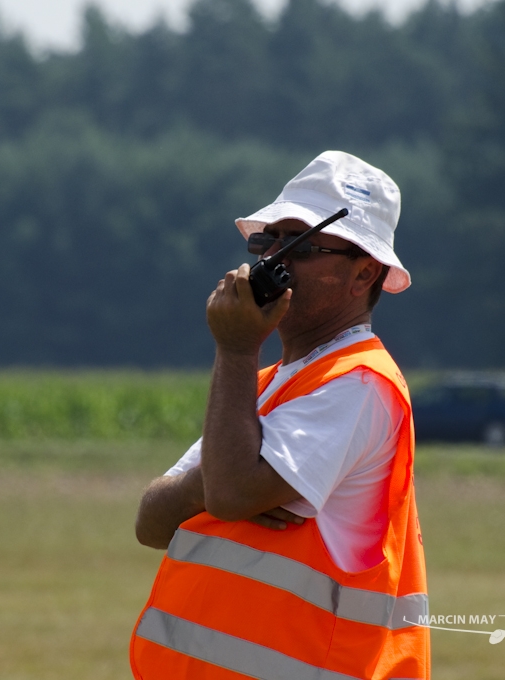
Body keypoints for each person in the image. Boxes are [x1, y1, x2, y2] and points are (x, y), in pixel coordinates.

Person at [129, 151, 430, 680]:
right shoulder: (263, 386)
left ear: (364, 273)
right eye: (266, 242)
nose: (272, 259)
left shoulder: (361, 383)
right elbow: (151, 522)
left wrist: (236, 349)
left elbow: (231, 493)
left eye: (299, 246)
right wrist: (209, 485)